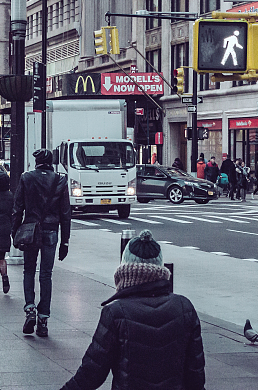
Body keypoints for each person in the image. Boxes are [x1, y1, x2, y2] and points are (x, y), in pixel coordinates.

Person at [59, 230, 205, 390]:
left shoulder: (116, 312)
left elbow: (91, 373)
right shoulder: (184, 307)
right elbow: (195, 375)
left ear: (124, 268)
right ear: (161, 267)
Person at [12, 148, 71, 338]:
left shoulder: (27, 178)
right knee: (46, 274)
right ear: (52, 162)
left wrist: (15, 232)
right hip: (51, 231)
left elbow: (17, 207)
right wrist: (65, 242)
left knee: (29, 270)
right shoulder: (60, 180)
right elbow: (66, 213)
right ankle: (43, 319)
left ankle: (30, 308)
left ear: (36, 162)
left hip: (31, 231)